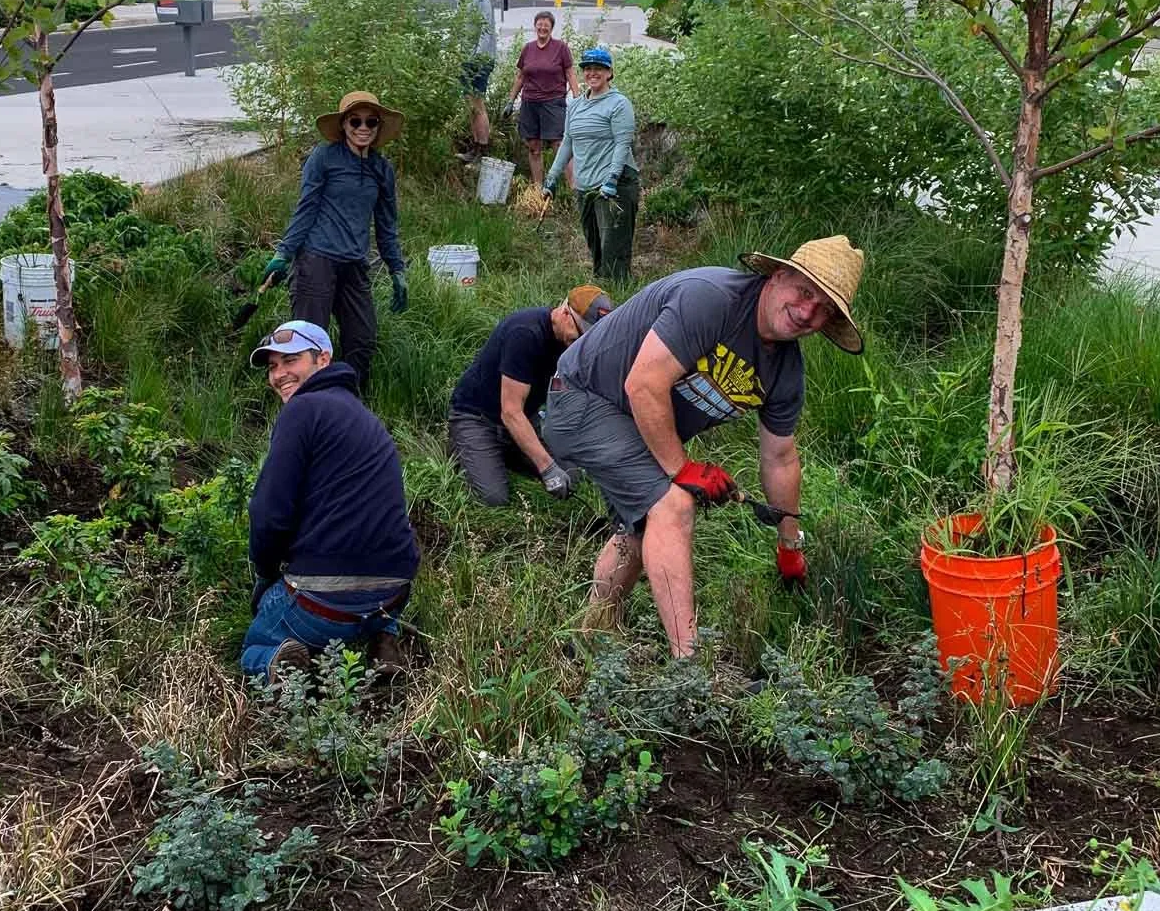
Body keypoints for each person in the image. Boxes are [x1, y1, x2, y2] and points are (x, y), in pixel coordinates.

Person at [542, 237, 866, 662]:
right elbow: (643, 386)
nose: (807, 312)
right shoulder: (711, 299)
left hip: (633, 423)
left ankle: (594, 630)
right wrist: (683, 468)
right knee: (673, 504)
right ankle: (691, 667)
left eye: (824, 308)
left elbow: (780, 456)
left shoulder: (786, 372)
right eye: (804, 292)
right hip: (582, 398)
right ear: (778, 275)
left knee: (643, 526)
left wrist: (790, 544)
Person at [241, 320, 420, 682]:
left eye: (290, 361)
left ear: (323, 359)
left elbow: (268, 512)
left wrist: (264, 573)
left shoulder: (301, 411)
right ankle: (382, 639)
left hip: (324, 599)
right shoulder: (365, 417)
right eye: (273, 366)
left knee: (253, 646)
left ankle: (278, 663)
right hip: (394, 591)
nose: (279, 375)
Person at [262, 90, 407, 395]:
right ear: (344, 125)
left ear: (379, 126)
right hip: (316, 260)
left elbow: (386, 225)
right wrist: (284, 253)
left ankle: (347, 404)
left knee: (362, 340)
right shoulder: (324, 158)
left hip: (354, 263)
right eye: (356, 120)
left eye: (371, 121)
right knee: (308, 342)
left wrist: (397, 269)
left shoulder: (382, 170)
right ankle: (303, 406)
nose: (363, 127)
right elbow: (307, 207)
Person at [447, 284, 614, 506]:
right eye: (579, 335)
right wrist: (547, 468)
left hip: (525, 417)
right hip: (479, 419)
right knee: (494, 498)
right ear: (564, 313)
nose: (582, 344)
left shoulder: (571, 344)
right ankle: (464, 447)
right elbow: (510, 412)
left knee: (572, 475)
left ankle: (507, 453)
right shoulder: (525, 333)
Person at [544, 45, 639, 283]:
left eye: (599, 68)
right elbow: (567, 143)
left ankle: (619, 294)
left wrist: (612, 179)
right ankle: (599, 295)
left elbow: (622, 143)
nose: (592, 73)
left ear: (609, 72)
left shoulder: (619, 103)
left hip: (614, 185)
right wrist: (552, 178)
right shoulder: (575, 105)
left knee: (614, 246)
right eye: (588, 69)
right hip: (585, 185)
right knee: (595, 244)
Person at [506, 10, 576, 192]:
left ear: (551, 28)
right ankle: (538, 189)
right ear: (535, 26)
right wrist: (510, 101)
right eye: (540, 24)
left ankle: (574, 189)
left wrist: (578, 99)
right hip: (530, 103)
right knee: (533, 147)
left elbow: (570, 73)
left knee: (559, 145)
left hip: (553, 102)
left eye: (547, 24)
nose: (543, 27)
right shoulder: (528, 48)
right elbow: (520, 77)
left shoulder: (560, 48)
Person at [455, 0, 496, 150]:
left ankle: (483, 148)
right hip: (464, 58)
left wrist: (476, 58)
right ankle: (474, 146)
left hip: (480, 60)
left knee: (478, 104)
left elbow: (486, 31)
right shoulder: (459, 0)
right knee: (469, 105)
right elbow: (459, 30)